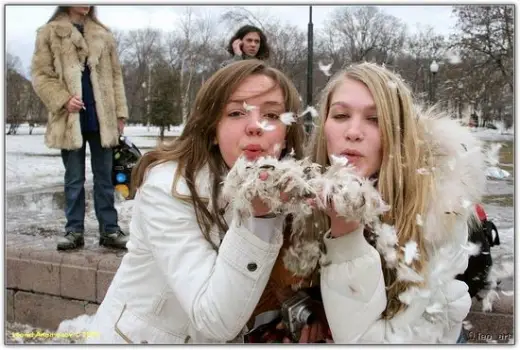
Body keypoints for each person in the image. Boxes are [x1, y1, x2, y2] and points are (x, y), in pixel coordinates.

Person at [60, 60, 312, 343]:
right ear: (212, 128)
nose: (255, 126)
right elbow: (215, 320)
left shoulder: (294, 191)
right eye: (237, 112)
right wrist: (261, 218)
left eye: (271, 114)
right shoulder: (167, 188)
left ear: (288, 131)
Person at [284, 62, 487, 343]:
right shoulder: (306, 195)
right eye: (341, 115)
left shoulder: (437, 209)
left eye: (374, 119)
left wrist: (346, 235)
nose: (353, 131)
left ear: (399, 132)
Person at [31, 6, 129, 250]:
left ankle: (110, 230)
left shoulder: (104, 34)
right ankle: (74, 231)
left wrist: (120, 113)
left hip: (101, 117)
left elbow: (116, 76)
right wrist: (63, 99)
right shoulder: (49, 32)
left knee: (105, 178)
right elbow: (41, 75)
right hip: (69, 117)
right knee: (74, 179)